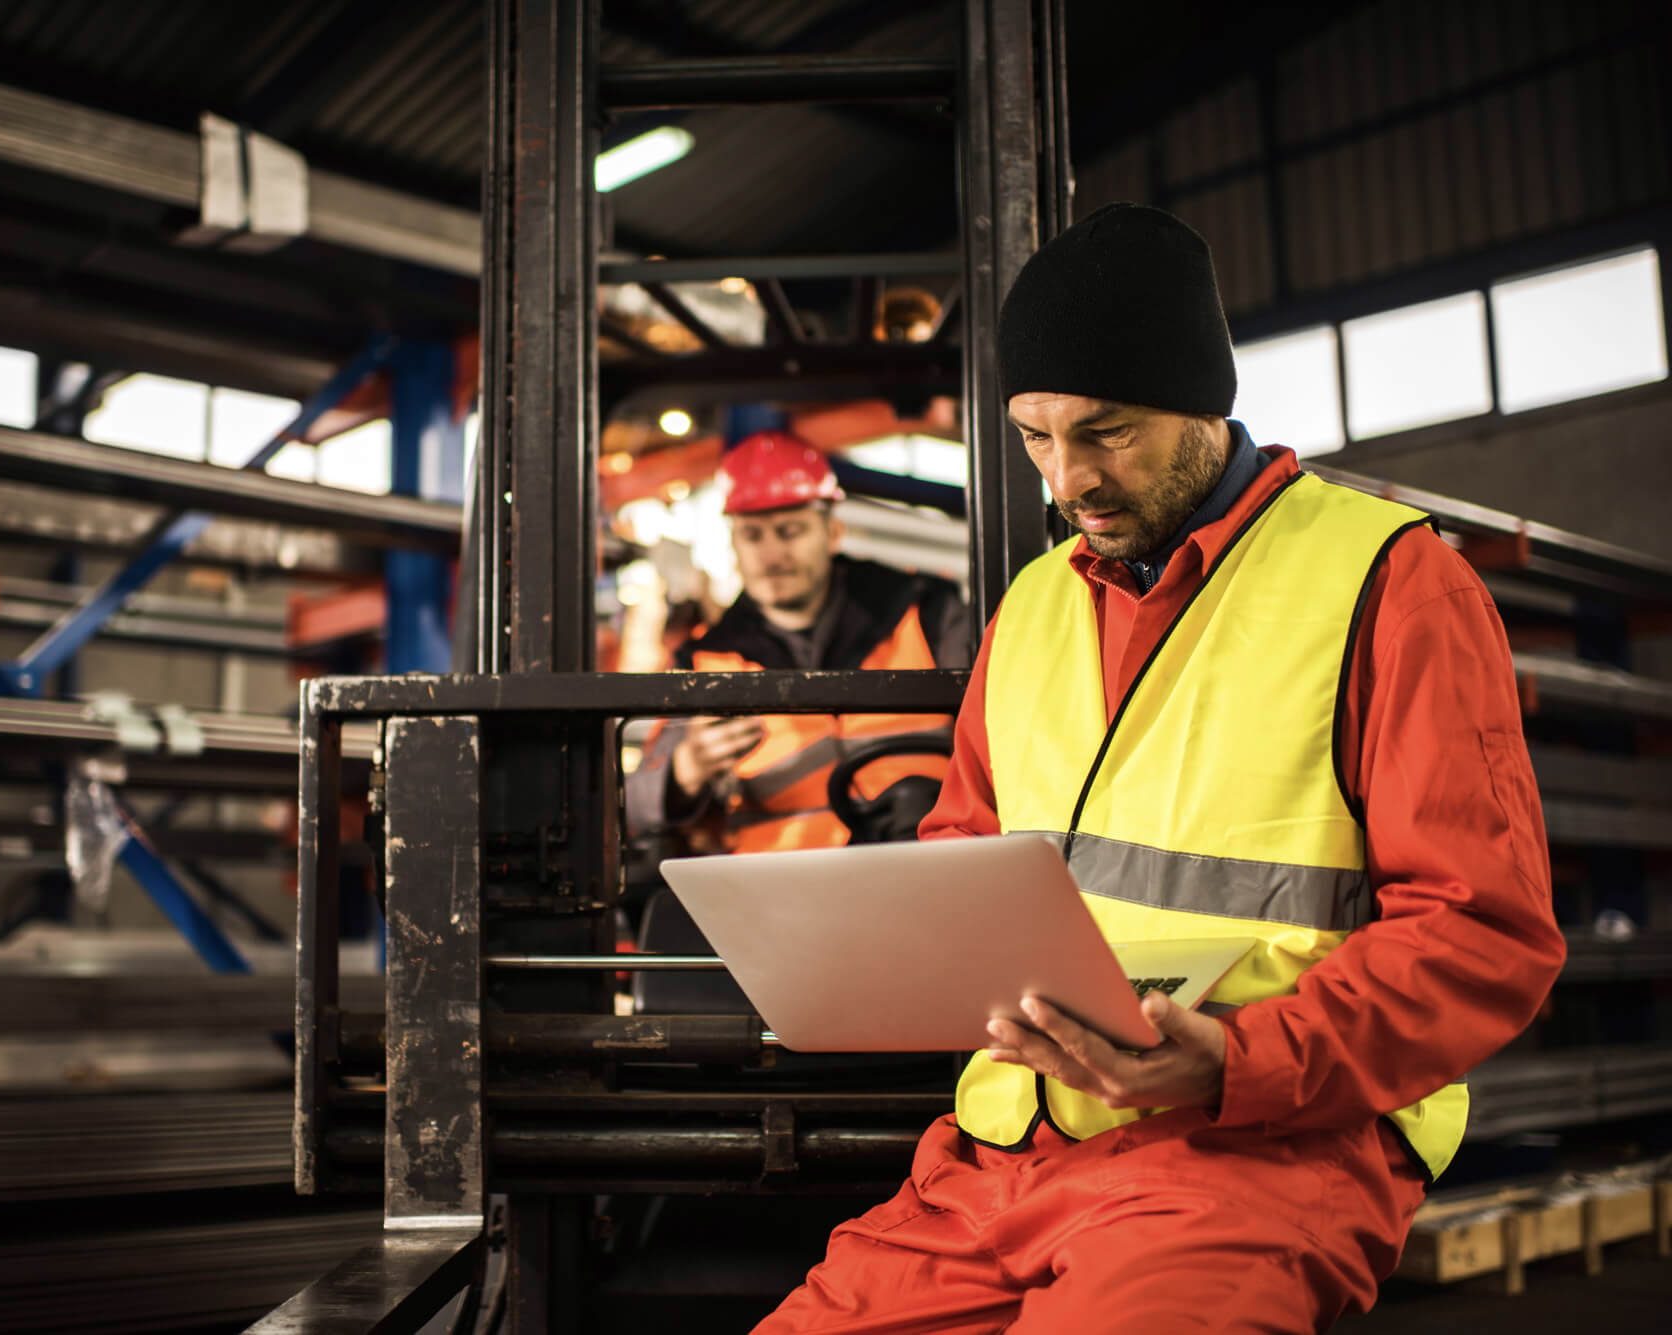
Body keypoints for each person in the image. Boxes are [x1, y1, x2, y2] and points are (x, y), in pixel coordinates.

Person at [755, 204, 1566, 1332]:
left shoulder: (1389, 582)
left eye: (1106, 431)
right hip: (998, 1158)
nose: (1067, 480)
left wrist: (1236, 1060)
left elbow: (1482, 934)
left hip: (1256, 1154)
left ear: (1203, 402)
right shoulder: (1031, 605)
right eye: (1034, 438)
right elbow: (964, 852)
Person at [626, 430, 972, 854]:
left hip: (926, 863)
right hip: (776, 891)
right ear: (734, 543)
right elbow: (636, 804)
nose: (772, 555)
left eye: (789, 531)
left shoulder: (926, 614)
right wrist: (686, 769)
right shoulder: (705, 659)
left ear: (832, 532)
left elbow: (998, 739)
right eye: (753, 536)